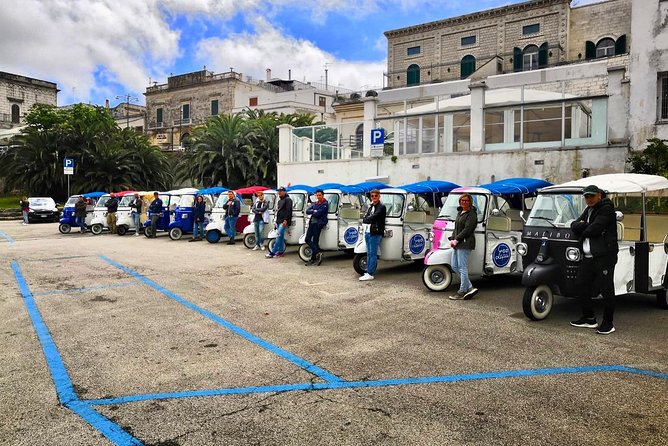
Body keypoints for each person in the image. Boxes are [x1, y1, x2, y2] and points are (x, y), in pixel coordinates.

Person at [569, 185, 619, 335]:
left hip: (604, 256)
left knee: (607, 289)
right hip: (589, 257)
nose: (588, 199)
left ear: (599, 195)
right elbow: (573, 224)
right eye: (586, 197)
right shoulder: (589, 209)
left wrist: (582, 227)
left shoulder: (606, 209)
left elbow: (594, 229)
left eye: (591, 196)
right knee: (580, 284)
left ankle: (608, 323)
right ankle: (589, 318)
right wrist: (581, 226)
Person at [448, 193, 479, 300]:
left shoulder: (472, 214)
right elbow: (456, 228)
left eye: (466, 200)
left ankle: (462, 291)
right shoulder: (460, 212)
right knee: (454, 266)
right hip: (458, 243)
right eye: (462, 200)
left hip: (465, 243)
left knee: (462, 267)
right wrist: (452, 238)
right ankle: (470, 288)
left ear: (470, 202)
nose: (464, 202)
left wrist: (457, 239)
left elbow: (467, 229)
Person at [359, 189, 386, 281]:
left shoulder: (381, 207)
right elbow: (365, 216)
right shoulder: (370, 206)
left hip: (376, 232)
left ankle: (370, 273)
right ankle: (368, 271)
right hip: (368, 231)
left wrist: (367, 219)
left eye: (376, 196)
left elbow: (374, 216)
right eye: (372, 196)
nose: (374, 197)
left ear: (379, 196)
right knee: (369, 253)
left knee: (373, 253)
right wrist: (367, 218)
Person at [266, 187, 292, 258]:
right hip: (279, 221)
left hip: (283, 221)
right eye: (278, 191)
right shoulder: (280, 201)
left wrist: (286, 220)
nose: (279, 192)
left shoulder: (288, 199)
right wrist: (276, 222)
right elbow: (278, 212)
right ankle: (280, 252)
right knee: (280, 237)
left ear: (284, 192)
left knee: (278, 236)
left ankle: (273, 252)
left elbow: (289, 211)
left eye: (281, 191)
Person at [304, 189, 328, 266]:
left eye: (319, 195)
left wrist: (314, 211)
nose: (318, 197)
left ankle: (313, 259)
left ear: (323, 195)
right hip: (312, 223)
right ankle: (318, 253)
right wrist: (314, 211)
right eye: (317, 195)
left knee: (315, 241)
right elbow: (307, 211)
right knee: (307, 239)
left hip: (318, 224)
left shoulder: (325, 203)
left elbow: (319, 213)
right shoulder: (315, 203)